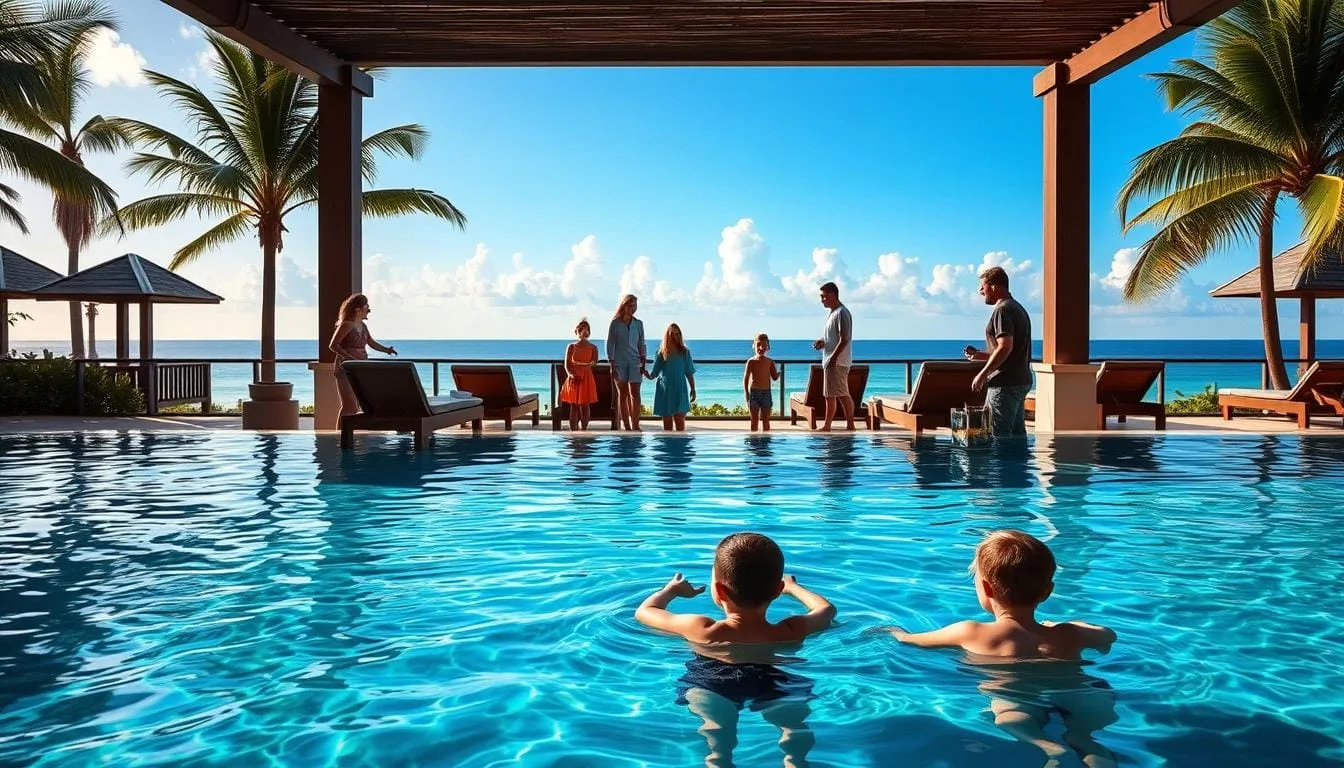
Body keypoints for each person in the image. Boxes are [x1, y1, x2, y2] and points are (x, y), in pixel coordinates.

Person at [889, 530, 1118, 767]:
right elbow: (1109, 636)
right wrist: (1072, 625)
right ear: (1048, 591)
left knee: (1011, 717)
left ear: (987, 589)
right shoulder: (1069, 634)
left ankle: (1048, 748)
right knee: (1085, 736)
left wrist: (893, 631)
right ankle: (1090, 749)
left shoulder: (971, 632)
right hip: (1082, 692)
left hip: (1016, 693)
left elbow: (913, 640)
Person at [635, 533, 836, 768]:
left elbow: (644, 611)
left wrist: (671, 591)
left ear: (719, 591)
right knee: (794, 727)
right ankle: (795, 760)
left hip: (712, 682)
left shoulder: (702, 629)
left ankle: (720, 760)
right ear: (776, 590)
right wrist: (793, 587)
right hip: (774, 679)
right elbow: (827, 609)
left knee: (718, 739)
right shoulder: (790, 629)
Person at [965, 266, 1033, 439]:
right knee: (1017, 436)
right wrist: (982, 356)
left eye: (983, 286)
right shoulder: (1018, 308)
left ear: (994, 286)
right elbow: (1010, 351)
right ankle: (1019, 466)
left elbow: (1005, 347)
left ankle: (1001, 467)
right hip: (1021, 380)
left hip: (1005, 383)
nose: (980, 291)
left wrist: (983, 374)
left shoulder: (1002, 310)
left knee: (998, 437)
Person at [328, 293, 397, 417]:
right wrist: (347, 356)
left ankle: (349, 434)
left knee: (357, 406)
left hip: (359, 368)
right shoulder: (347, 325)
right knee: (349, 406)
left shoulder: (363, 326)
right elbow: (333, 345)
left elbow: (371, 342)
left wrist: (387, 350)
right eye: (367, 307)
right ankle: (340, 435)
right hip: (346, 369)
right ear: (358, 309)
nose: (369, 310)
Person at [812, 282, 855, 431]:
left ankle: (850, 425)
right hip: (831, 360)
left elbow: (845, 338)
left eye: (823, 296)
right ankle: (828, 425)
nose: (822, 300)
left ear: (832, 295)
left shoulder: (842, 312)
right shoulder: (833, 313)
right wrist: (822, 342)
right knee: (830, 395)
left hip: (837, 362)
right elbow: (834, 337)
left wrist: (833, 358)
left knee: (842, 394)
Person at [644, 323, 696, 432]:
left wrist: (693, 389)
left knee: (680, 418)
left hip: (680, 387)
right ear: (668, 336)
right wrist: (646, 374)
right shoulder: (662, 352)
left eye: (678, 334)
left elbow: (689, 372)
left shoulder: (685, 352)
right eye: (672, 334)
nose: (675, 337)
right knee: (667, 423)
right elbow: (655, 372)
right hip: (666, 389)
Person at [606, 294, 646, 431]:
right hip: (619, 363)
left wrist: (643, 360)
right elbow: (610, 344)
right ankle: (627, 426)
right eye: (630, 305)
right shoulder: (615, 323)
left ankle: (635, 424)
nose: (632, 308)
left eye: (634, 305)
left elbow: (642, 343)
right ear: (624, 306)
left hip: (635, 362)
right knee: (622, 394)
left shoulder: (638, 324)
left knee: (635, 393)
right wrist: (611, 364)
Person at [560, 318, 599, 430]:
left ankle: (584, 430)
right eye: (581, 328)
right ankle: (573, 431)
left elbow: (594, 361)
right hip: (574, 377)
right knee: (574, 405)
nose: (584, 331)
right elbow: (567, 364)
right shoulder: (571, 346)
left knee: (585, 405)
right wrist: (571, 375)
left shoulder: (593, 348)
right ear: (577, 331)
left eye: (586, 329)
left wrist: (585, 365)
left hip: (586, 377)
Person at [743, 333, 780, 432]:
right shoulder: (751, 361)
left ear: (767, 347)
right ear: (754, 346)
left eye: (764, 345)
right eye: (758, 345)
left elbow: (774, 377)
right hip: (754, 393)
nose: (761, 348)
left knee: (766, 421)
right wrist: (746, 393)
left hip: (766, 393)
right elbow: (746, 378)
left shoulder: (770, 362)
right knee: (754, 421)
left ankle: (765, 444)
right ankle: (754, 444)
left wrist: (779, 373)